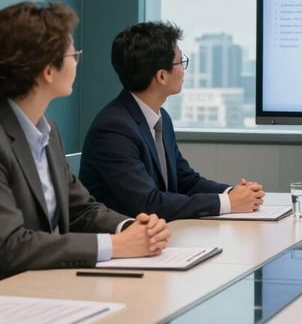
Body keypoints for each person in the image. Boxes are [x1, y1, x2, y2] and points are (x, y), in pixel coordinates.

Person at [0, 2, 171, 279]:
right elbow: (9, 246)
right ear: (47, 70)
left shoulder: (48, 131)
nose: (77, 62)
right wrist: (113, 246)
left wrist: (131, 228)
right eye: (74, 55)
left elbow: (81, 209)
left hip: (52, 286)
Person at [80, 22, 265, 221]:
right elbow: (148, 204)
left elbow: (186, 180)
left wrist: (233, 193)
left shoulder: (160, 117)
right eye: (180, 62)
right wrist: (229, 203)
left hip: (161, 235)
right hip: (127, 244)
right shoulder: (114, 130)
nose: (183, 70)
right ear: (161, 76)